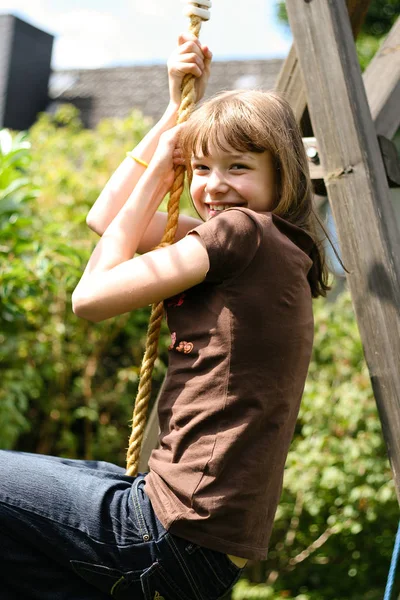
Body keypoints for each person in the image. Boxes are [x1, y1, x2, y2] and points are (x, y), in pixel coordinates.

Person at [0, 32, 331, 600]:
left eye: (238, 166)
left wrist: (162, 167)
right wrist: (172, 112)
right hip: (197, 553)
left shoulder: (241, 231)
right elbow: (108, 220)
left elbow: (90, 298)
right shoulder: (277, 245)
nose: (213, 186)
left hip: (160, 532)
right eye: (200, 168)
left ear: (284, 173)